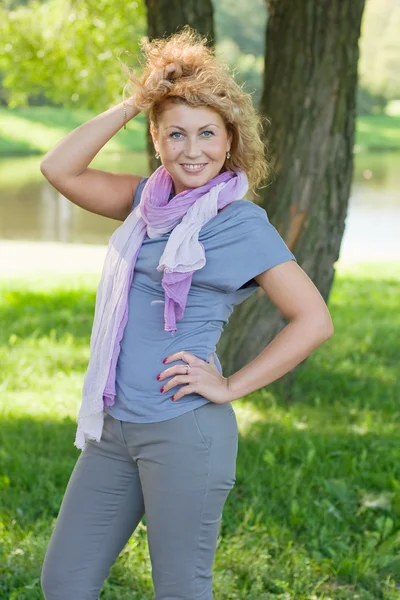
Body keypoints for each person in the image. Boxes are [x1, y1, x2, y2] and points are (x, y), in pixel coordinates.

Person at [39, 25, 333, 600]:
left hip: (183, 430)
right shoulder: (143, 203)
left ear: (229, 142)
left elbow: (313, 320)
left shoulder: (239, 224)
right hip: (114, 427)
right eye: (175, 134)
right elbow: (59, 168)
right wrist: (138, 99)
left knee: (180, 589)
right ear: (157, 139)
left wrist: (230, 385)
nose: (191, 149)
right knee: (65, 583)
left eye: (206, 134)